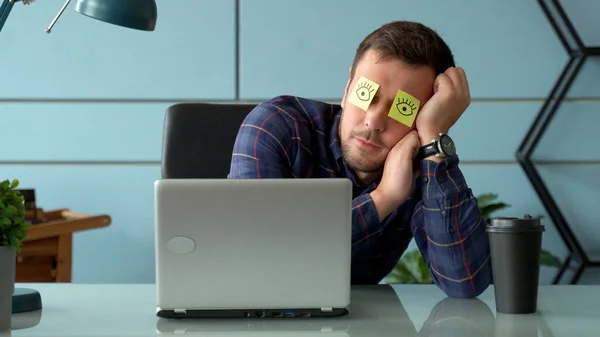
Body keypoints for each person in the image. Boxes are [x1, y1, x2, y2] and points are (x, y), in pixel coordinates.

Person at [227, 20, 492, 298]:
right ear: (347, 89)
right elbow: (258, 257)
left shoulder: (418, 166)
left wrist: (434, 140)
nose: (373, 120)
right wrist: (385, 197)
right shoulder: (278, 125)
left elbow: (465, 283)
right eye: (366, 94)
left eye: (403, 108)